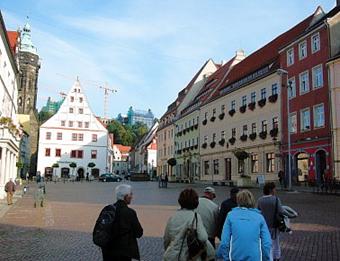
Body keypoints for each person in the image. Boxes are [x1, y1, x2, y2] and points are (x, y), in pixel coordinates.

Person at [217, 190, 271, 261]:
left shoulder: (231, 216)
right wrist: (265, 259)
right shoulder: (259, 217)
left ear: (238, 200)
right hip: (254, 257)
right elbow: (266, 243)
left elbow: (224, 242)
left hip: (235, 257)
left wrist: (225, 258)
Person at [163, 188, 215, 261]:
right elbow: (203, 237)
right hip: (188, 256)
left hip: (171, 256)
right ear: (195, 202)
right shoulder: (195, 217)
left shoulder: (173, 217)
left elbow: (166, 239)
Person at [101, 184, 143, 261]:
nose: (132, 197)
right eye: (131, 194)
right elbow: (139, 232)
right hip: (124, 252)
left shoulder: (107, 209)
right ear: (126, 196)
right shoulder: (130, 212)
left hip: (108, 250)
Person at [257, 182, 288, 261]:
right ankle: (276, 257)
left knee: (267, 244)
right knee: (275, 243)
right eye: (274, 189)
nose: (275, 190)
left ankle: (269, 257)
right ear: (271, 190)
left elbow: (258, 212)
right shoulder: (276, 199)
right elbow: (281, 211)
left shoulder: (260, 200)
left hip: (264, 225)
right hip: (274, 225)